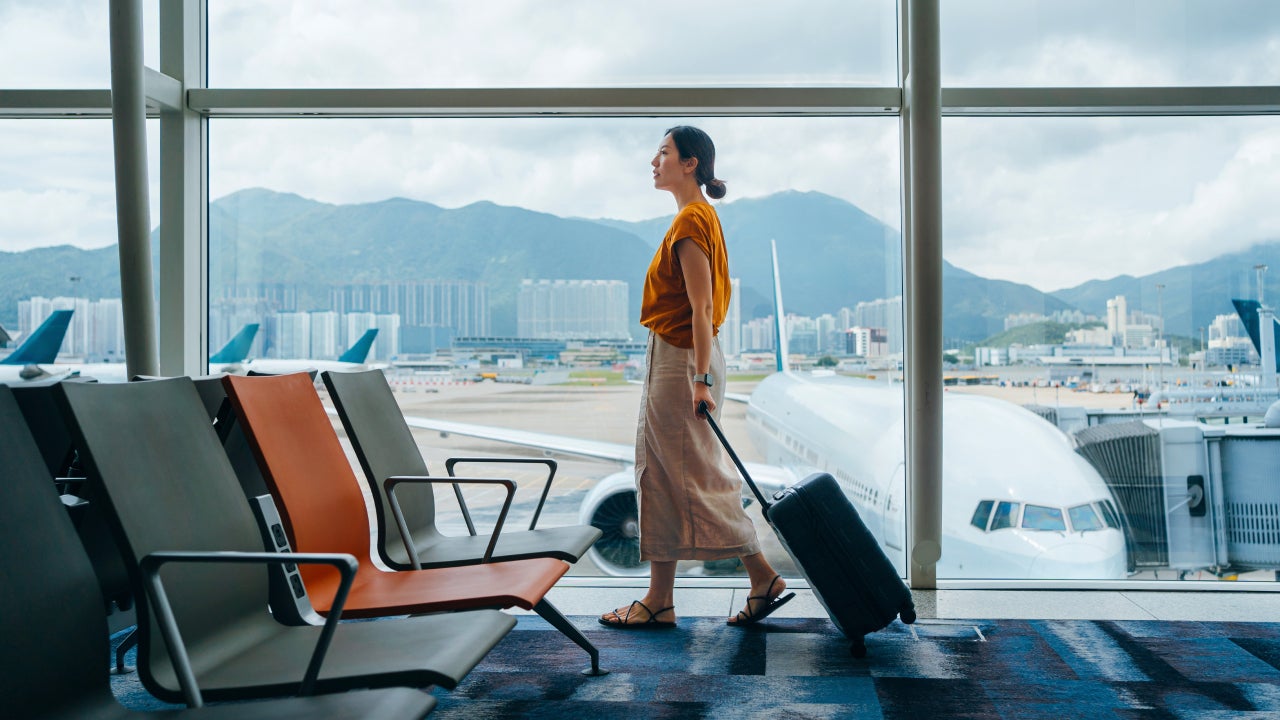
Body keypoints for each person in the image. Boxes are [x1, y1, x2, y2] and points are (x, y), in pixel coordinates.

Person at [599, 126, 793, 630]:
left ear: (690, 163)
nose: (654, 161)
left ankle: (759, 576)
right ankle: (661, 598)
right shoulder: (700, 216)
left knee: (692, 474)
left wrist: (700, 379)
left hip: (683, 360)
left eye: (663, 152)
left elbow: (701, 308)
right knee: (665, 474)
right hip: (684, 357)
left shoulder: (690, 221)